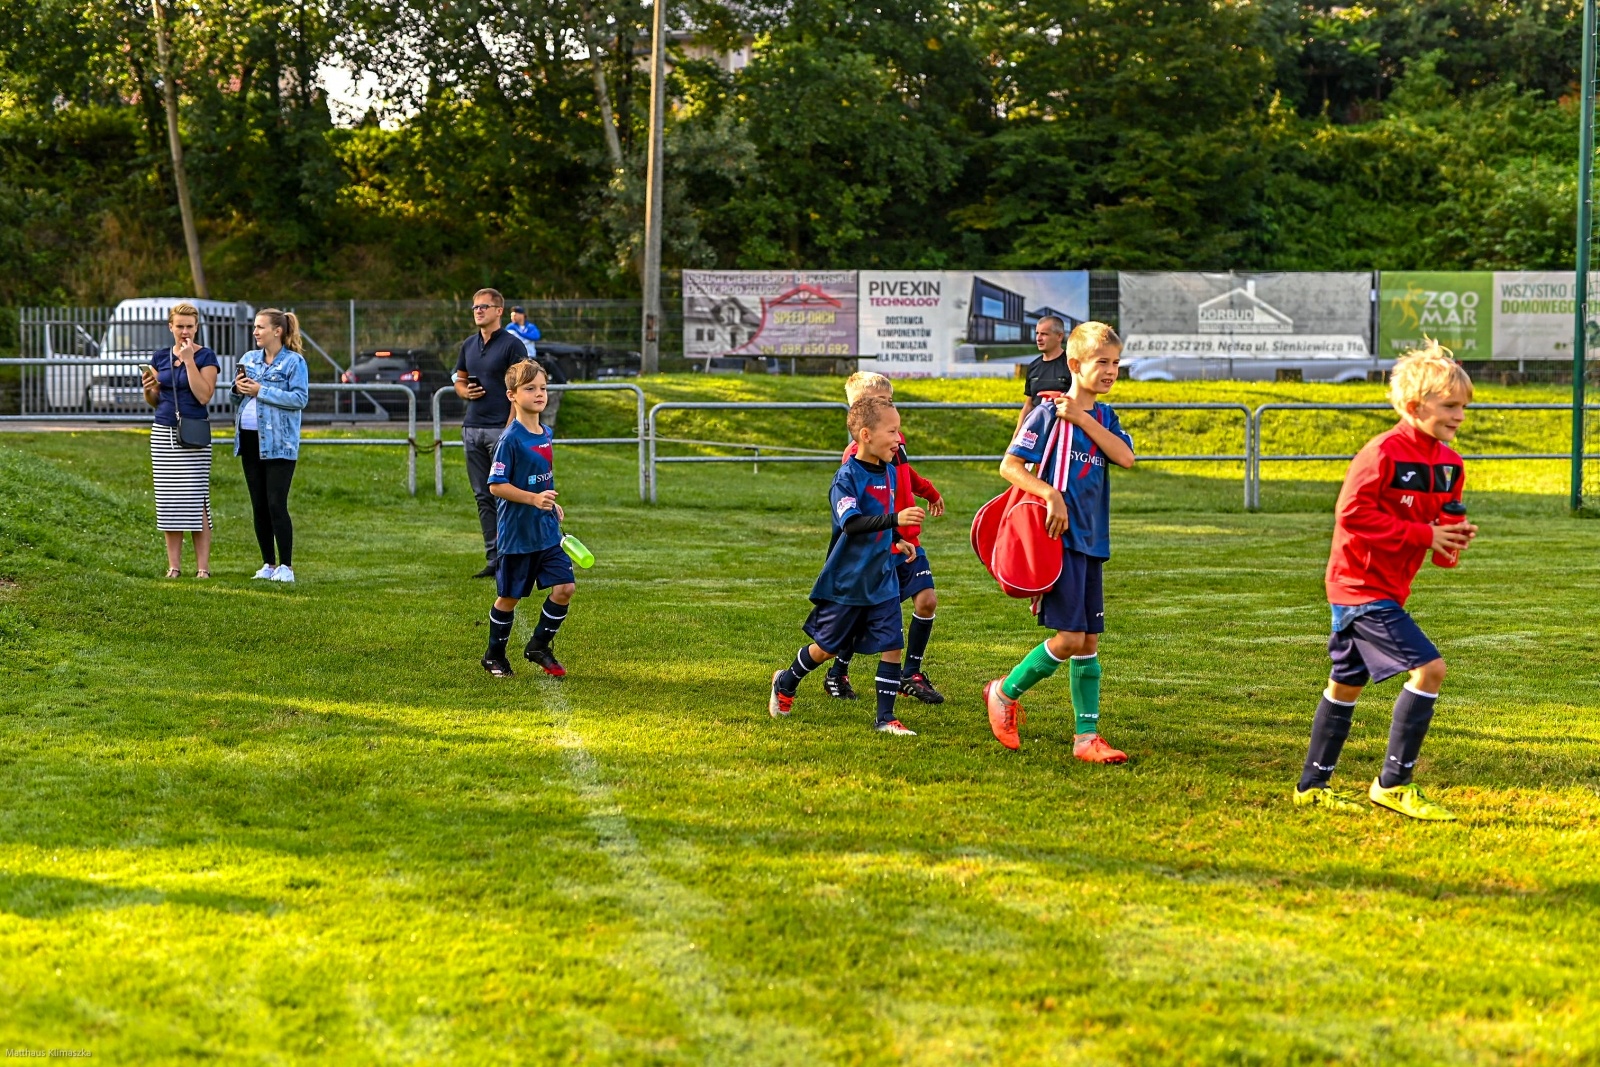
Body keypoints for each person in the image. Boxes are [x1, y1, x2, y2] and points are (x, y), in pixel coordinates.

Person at [1293, 341, 1477, 821]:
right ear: (1416, 407)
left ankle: (1312, 787)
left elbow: (1437, 543)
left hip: (1389, 589)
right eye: (1450, 406)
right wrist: (1424, 533)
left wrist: (1448, 540)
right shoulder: (1383, 452)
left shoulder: (1451, 465)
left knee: (1345, 685)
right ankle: (1393, 785)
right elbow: (1352, 515)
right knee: (1430, 670)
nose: (1459, 416)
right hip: (1358, 587)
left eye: (1464, 407)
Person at [983, 322, 1136, 762]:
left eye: (1116, 364)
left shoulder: (1103, 417)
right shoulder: (1047, 414)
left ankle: (1086, 740)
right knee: (1069, 638)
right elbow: (1010, 466)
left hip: (1093, 540)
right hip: (1059, 541)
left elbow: (1125, 457)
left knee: (1088, 642)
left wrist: (1084, 418)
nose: (1111, 371)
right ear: (1073, 364)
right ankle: (1004, 691)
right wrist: (1049, 494)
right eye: (1101, 363)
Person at [767, 395, 926, 736]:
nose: (899, 439)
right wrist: (894, 519)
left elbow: (884, 522)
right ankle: (786, 679)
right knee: (826, 648)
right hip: (848, 581)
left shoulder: (893, 473)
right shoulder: (847, 476)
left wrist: (898, 538)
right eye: (893, 431)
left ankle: (886, 719)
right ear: (866, 435)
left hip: (881, 577)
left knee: (892, 643)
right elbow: (852, 523)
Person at [823, 372, 947, 705]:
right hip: (878, 548)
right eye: (880, 402)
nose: (887, 407)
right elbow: (858, 514)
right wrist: (890, 531)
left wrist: (928, 491)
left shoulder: (895, 441)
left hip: (907, 541)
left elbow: (905, 473)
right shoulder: (856, 457)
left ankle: (912, 673)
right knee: (861, 614)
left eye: (889, 401)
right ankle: (837, 670)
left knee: (927, 600)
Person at [481, 360, 577, 678]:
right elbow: (496, 485)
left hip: (546, 530)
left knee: (564, 587)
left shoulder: (545, 432)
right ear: (512, 395)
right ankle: (494, 656)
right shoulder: (510, 440)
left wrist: (549, 501)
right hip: (518, 535)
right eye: (530, 388)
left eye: (543, 388)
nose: (539, 394)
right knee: (509, 597)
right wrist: (533, 499)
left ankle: (538, 645)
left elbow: (541, 478)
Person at [139, 302, 219, 578]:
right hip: (163, 432)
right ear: (170, 327)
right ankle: (173, 566)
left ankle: (203, 568)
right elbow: (154, 400)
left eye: (189, 326)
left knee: (196, 499)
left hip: (194, 433)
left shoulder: (206, 357)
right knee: (169, 500)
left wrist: (188, 360)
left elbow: (204, 395)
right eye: (180, 326)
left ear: (196, 327)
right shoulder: (159, 357)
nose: (185, 331)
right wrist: (149, 389)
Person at [453, 288, 530, 578]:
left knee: (509, 495)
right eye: (474, 307)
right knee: (482, 496)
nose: (478, 311)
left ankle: (517, 556)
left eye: (484, 306)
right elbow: (459, 380)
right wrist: (465, 391)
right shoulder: (469, 345)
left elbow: (522, 386)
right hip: (472, 428)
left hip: (501, 429)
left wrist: (510, 428)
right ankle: (494, 558)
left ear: (499, 311)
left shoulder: (512, 345)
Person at [232, 308, 310, 583]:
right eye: (255, 327)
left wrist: (260, 391)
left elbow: (299, 399)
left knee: (276, 502)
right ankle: (268, 563)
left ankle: (286, 567)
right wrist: (238, 388)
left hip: (280, 443)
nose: (255, 332)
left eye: (260, 327)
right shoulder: (248, 359)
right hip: (250, 441)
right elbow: (237, 397)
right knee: (259, 505)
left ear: (277, 331)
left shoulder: (294, 363)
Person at [506, 305, 568, 433]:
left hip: (532, 358)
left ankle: (563, 384)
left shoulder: (529, 327)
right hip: (518, 359)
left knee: (549, 364)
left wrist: (520, 333)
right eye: (512, 315)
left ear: (522, 315)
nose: (513, 317)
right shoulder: (510, 328)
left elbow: (535, 336)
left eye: (516, 314)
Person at [1015, 315, 1072, 433]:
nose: (1038, 338)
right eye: (1037, 333)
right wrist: (1016, 435)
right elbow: (1029, 405)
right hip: (1036, 432)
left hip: (1065, 432)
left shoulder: (1072, 365)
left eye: (1044, 334)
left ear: (1059, 336)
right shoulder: (1033, 366)